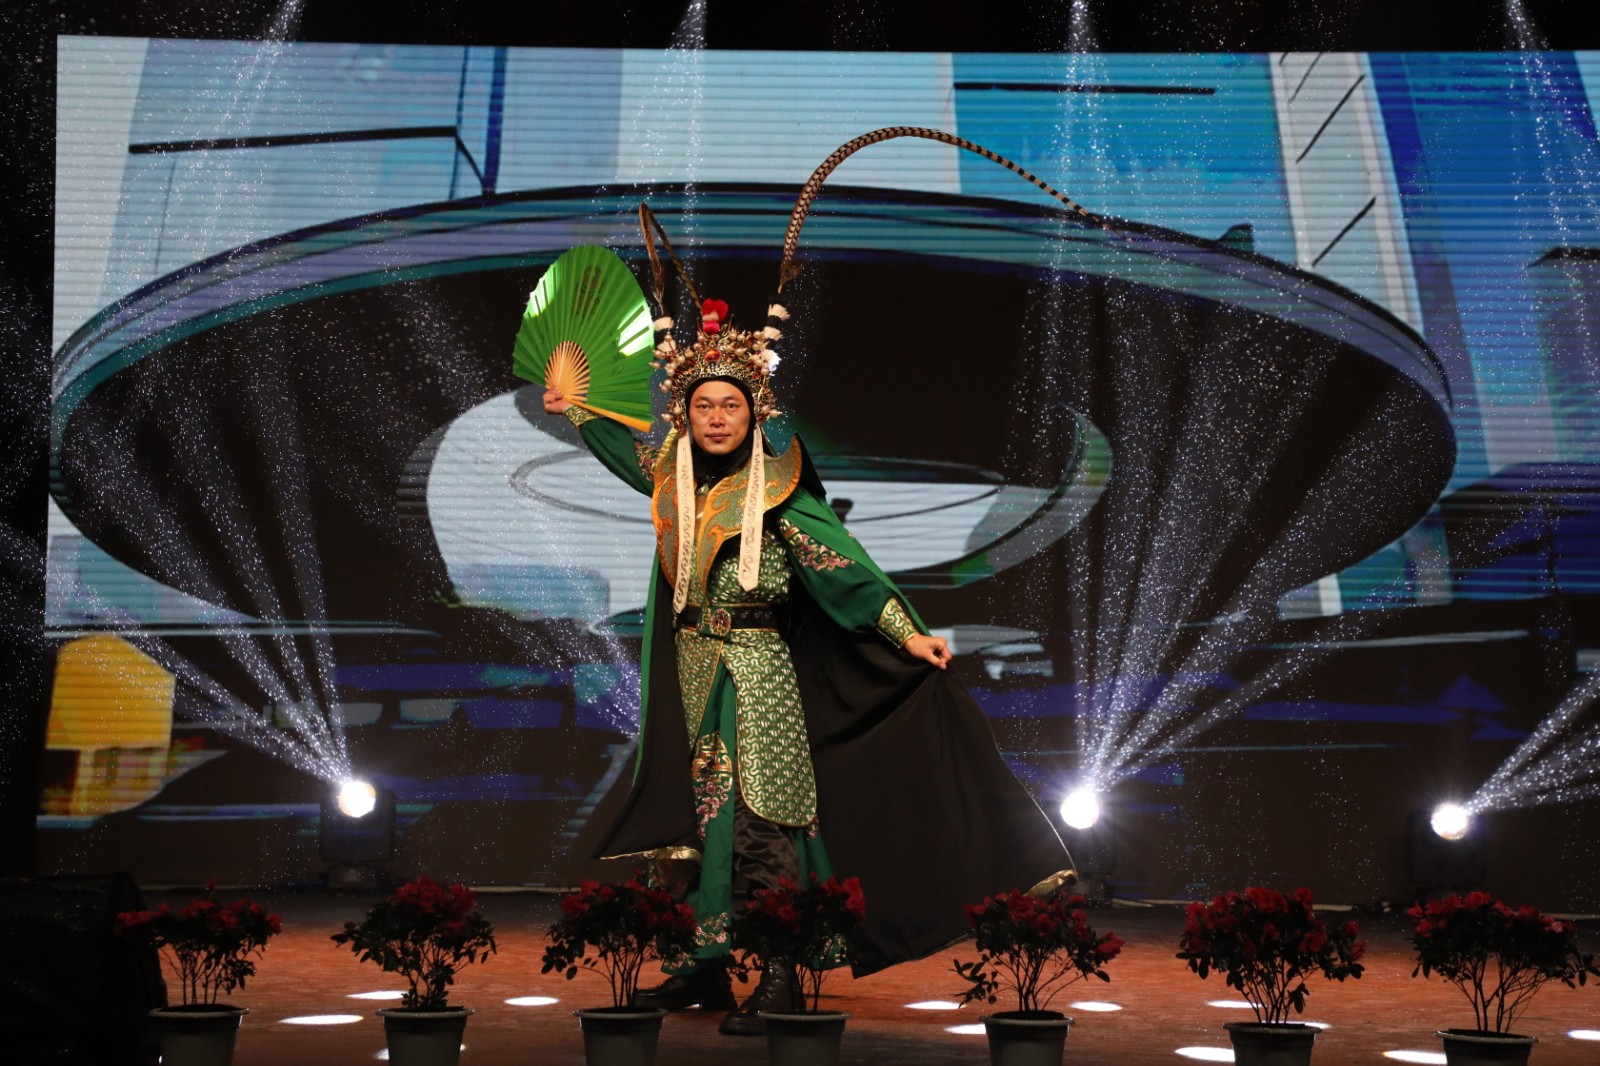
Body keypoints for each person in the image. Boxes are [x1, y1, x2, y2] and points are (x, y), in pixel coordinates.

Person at [545, 294, 1073, 1037]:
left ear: (754, 413)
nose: (717, 418)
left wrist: (905, 632)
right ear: (685, 416)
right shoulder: (674, 480)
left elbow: (842, 565)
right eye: (703, 406)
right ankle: (702, 963)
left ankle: (781, 972)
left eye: (731, 405)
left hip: (759, 672)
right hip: (692, 676)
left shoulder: (779, 489)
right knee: (700, 823)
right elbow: (624, 453)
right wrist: (575, 408)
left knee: (763, 820)